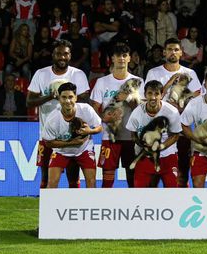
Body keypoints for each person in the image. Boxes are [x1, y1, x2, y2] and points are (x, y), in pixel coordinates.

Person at [27, 39, 90, 189]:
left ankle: (73, 207)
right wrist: (50, 96)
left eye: (66, 54)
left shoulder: (78, 74)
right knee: (46, 176)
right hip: (48, 134)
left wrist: (65, 97)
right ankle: (44, 209)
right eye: (59, 54)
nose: (62, 57)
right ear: (53, 54)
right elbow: (29, 102)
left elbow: (85, 99)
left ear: (70, 55)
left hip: (72, 133)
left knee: (73, 176)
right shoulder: (41, 74)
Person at [145, 37, 202, 187]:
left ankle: (182, 203)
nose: (173, 52)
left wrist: (182, 105)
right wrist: (169, 83)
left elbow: (198, 96)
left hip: (182, 126)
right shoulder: (154, 73)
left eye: (176, 49)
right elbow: (148, 98)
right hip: (158, 128)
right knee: (154, 174)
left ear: (181, 53)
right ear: (164, 52)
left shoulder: (190, 73)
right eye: (170, 49)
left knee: (182, 170)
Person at [90, 43, 144, 188]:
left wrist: (128, 98)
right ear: (112, 59)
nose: (121, 58)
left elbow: (142, 110)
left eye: (124, 55)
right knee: (107, 177)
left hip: (131, 135)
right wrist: (103, 118)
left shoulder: (138, 82)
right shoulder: (102, 82)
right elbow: (94, 106)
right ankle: (105, 205)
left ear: (129, 59)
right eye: (118, 55)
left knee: (132, 175)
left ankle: (134, 206)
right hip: (110, 136)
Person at [42, 82, 102, 188]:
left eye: (70, 97)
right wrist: (73, 143)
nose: (67, 101)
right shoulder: (52, 118)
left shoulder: (86, 109)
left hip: (84, 149)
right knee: (51, 184)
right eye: (64, 97)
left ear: (76, 98)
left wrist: (90, 131)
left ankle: (90, 205)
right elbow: (48, 143)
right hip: (61, 152)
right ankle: (52, 204)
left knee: (91, 183)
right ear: (59, 99)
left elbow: (99, 127)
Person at [125, 80, 181, 187]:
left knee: (173, 189)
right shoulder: (137, 113)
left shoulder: (172, 112)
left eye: (156, 94)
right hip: (144, 156)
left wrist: (161, 147)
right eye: (150, 93)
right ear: (145, 94)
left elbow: (175, 135)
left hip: (168, 156)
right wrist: (143, 145)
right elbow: (133, 134)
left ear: (161, 95)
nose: (153, 97)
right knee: (139, 191)